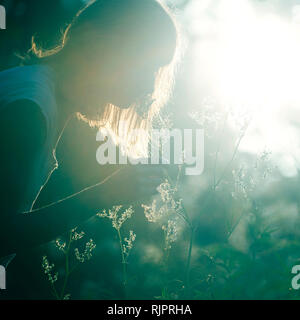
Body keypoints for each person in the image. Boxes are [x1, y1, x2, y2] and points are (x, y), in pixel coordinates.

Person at [0, 0, 180, 260]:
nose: (150, 87)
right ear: (94, 41)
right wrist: (102, 195)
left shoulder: (36, 94)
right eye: (144, 64)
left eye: (156, 70)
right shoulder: (29, 110)